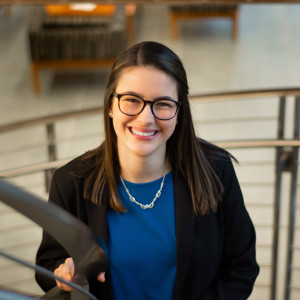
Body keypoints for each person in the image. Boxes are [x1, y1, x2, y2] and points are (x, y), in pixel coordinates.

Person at [35, 41, 259, 300]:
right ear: (110, 105)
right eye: (131, 100)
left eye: (162, 104)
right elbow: (47, 263)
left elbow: (241, 268)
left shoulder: (215, 170)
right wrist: (63, 274)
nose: (145, 118)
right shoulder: (70, 182)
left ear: (179, 113)